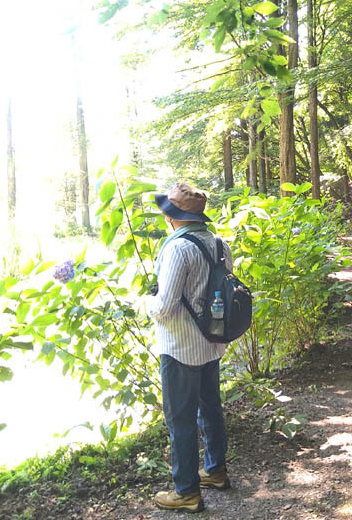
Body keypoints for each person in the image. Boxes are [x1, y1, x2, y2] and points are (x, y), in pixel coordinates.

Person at [146, 183, 232, 513]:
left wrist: (143, 302)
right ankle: (216, 471)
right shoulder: (219, 243)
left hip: (180, 347)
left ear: (173, 217)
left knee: (180, 419)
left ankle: (186, 491)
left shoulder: (178, 249)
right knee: (210, 407)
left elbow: (164, 307)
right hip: (212, 343)